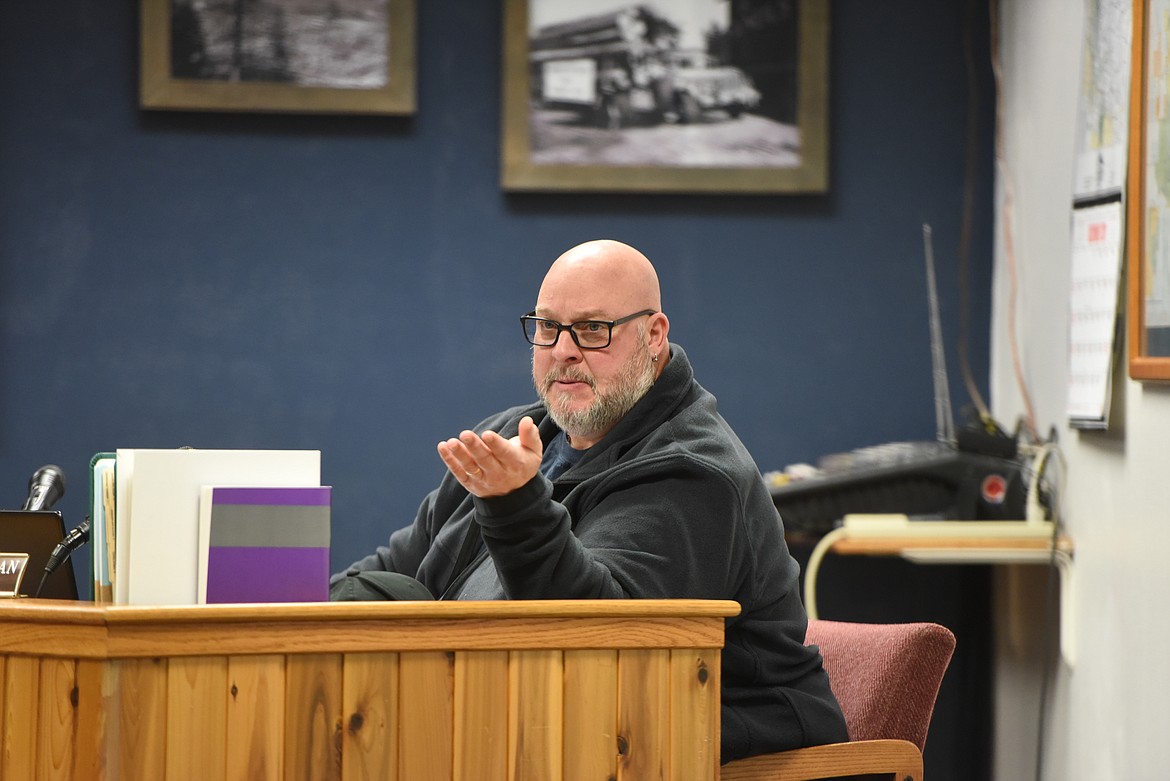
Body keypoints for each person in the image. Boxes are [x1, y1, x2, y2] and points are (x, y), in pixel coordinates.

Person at [332, 239, 848, 763]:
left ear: (653, 335)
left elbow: (597, 644)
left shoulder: (694, 474)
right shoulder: (512, 436)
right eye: (548, 327)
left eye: (593, 330)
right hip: (530, 734)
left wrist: (515, 505)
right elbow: (396, 574)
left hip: (690, 753)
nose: (563, 351)